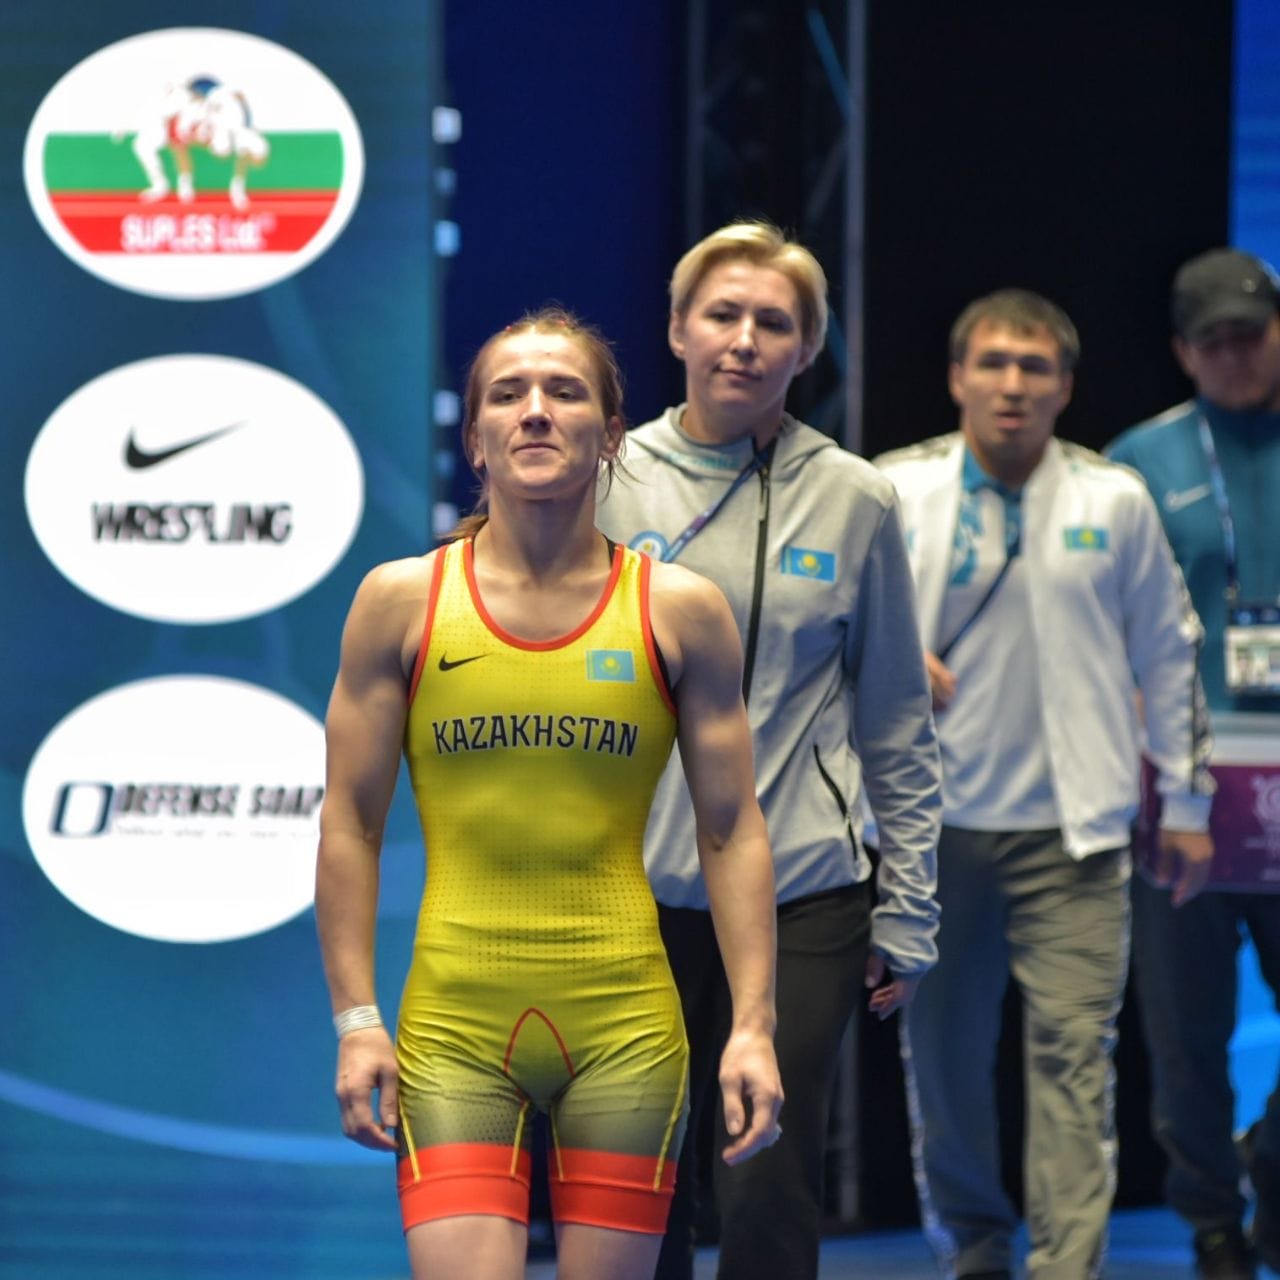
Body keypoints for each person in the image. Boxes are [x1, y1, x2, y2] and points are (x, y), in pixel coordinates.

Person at [314, 308, 783, 1280]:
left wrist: (752, 1025)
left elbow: (732, 830)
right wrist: (356, 1021)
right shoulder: (400, 602)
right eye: (507, 394)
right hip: (453, 1031)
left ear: (611, 434)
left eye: (564, 391)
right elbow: (350, 822)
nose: (534, 411)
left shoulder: (678, 609)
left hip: (626, 1030)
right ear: (474, 437)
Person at [594, 221, 942, 1280]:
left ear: (807, 349)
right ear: (676, 330)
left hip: (802, 891)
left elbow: (896, 716)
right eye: (722, 315)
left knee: (765, 1174)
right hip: (632, 893)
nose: (744, 340)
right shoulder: (604, 478)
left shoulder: (855, 497)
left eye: (774, 323)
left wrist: (909, 904)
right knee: (639, 1180)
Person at [875, 288, 1214, 1280]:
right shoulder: (893, 491)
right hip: (931, 839)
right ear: (956, 378)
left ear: (1065, 386)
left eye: (1034, 367)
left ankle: (1068, 1263)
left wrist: (1186, 803)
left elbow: (1168, 652)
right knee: (944, 1060)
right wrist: (888, 656)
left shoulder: (1113, 498)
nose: (1012, 385)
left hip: (1074, 838)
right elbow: (824, 635)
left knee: (1072, 1057)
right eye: (992, 363)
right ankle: (975, 1247)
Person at [1107, 248, 1280, 1280]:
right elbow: (1100, 622)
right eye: (1213, 341)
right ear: (1181, 351)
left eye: (1250, 334)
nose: (1234, 355)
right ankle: (1212, 1221)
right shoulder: (1137, 461)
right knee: (1186, 1036)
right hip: (1185, 790)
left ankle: (1271, 1164)